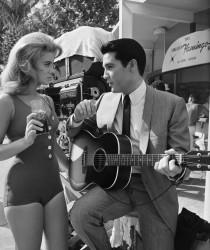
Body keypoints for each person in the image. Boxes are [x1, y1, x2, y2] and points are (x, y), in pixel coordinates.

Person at [66, 38, 190, 250]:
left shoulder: (171, 103)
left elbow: (182, 161)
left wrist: (175, 169)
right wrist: (76, 118)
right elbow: (77, 134)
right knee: (79, 215)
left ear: (132, 65)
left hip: (155, 191)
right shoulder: (105, 99)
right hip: (115, 185)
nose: (104, 75)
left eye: (110, 67)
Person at [0, 32, 68, 250]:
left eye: (53, 63)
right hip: (23, 190)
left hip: (54, 187)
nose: (53, 70)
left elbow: (52, 143)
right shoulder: (6, 102)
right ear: (26, 66)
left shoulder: (47, 100)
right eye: (48, 64)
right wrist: (25, 141)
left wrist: (72, 169)